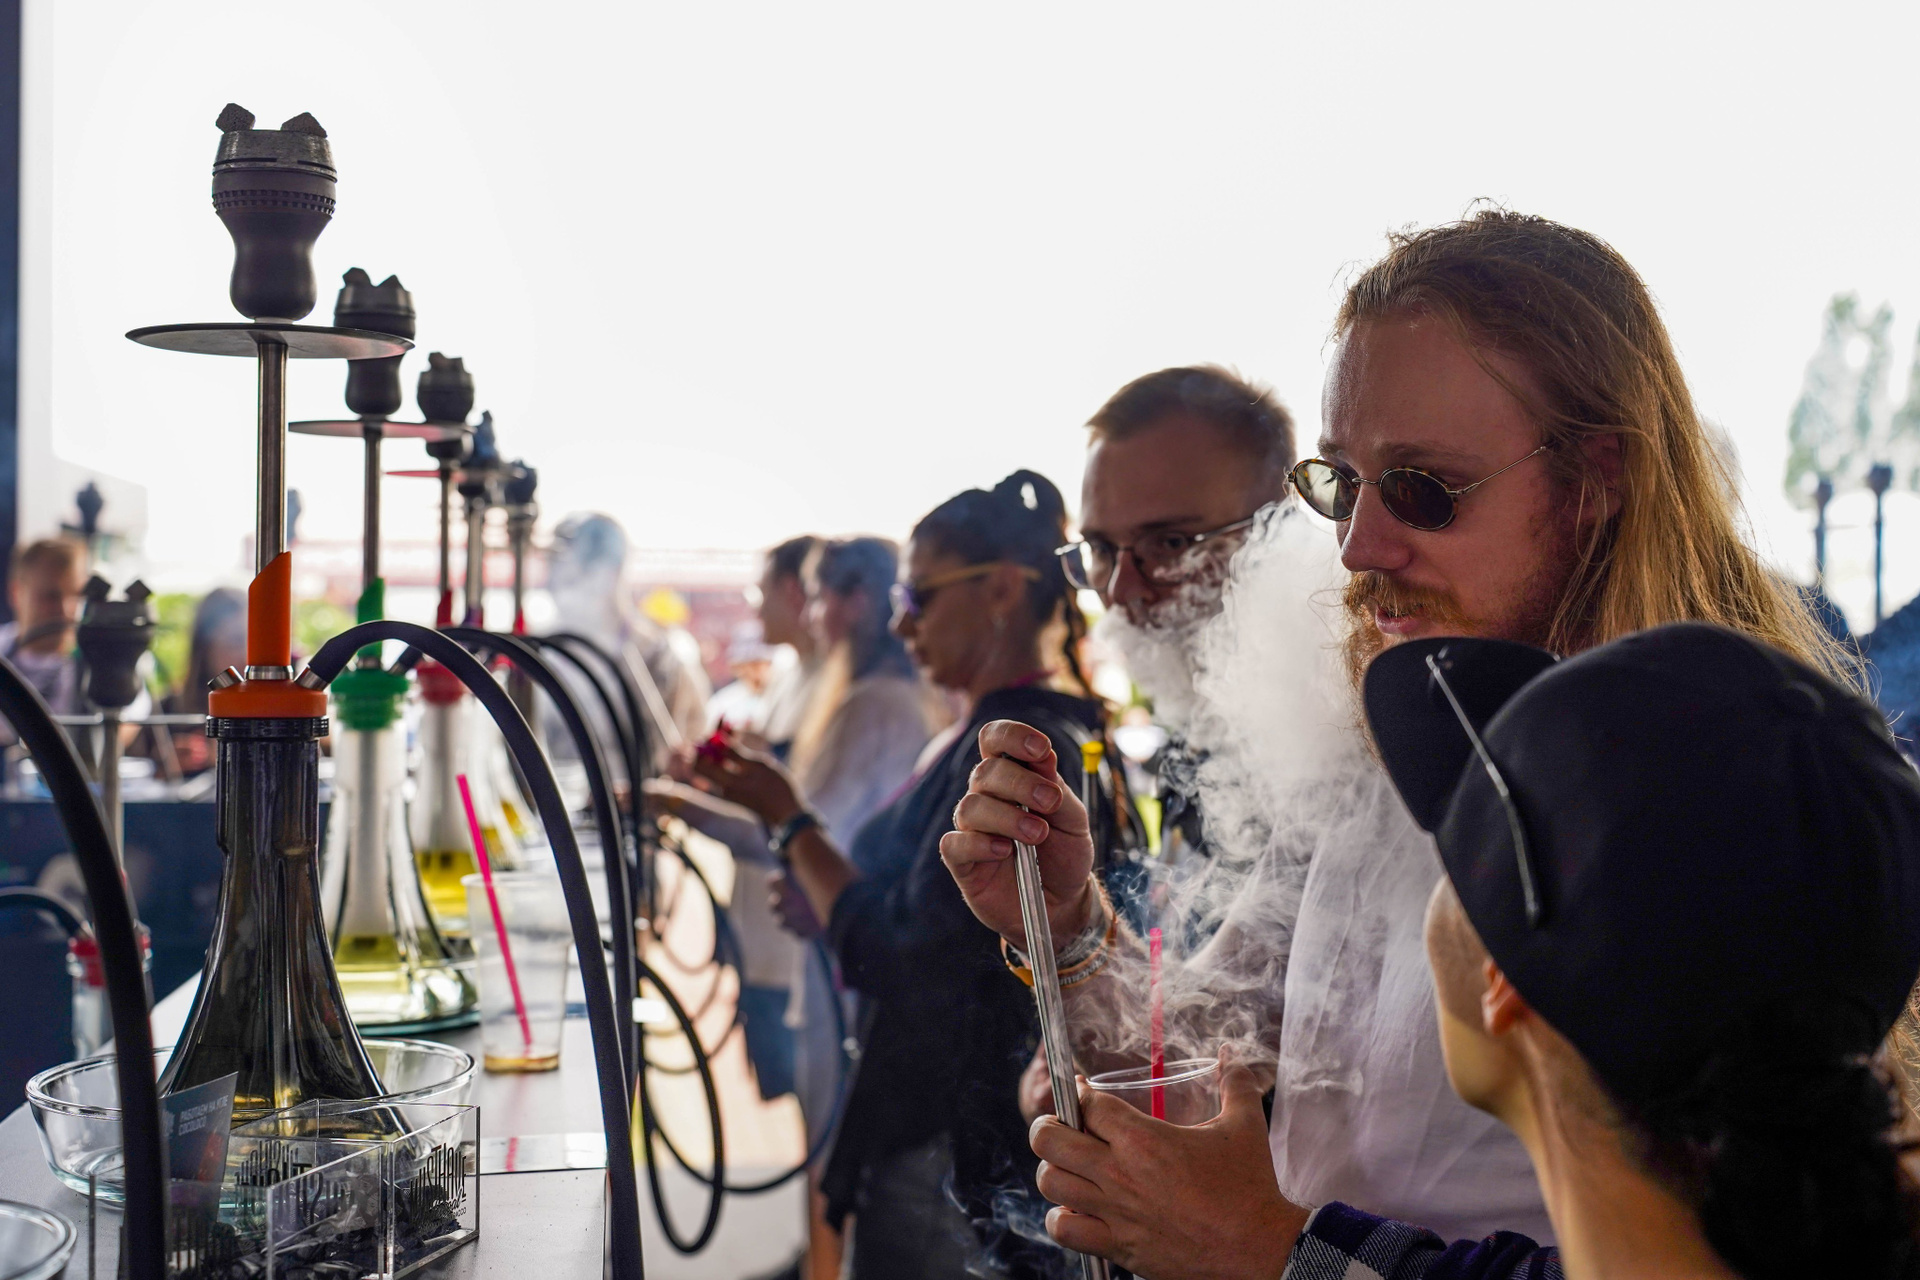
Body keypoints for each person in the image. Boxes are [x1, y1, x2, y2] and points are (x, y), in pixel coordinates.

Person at [942, 210, 1854, 1277]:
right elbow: (1193, 1063)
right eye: (1339, 483)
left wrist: (1281, 1252)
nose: (1359, 546)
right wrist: (1068, 921)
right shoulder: (1372, 742)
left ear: (1596, 482)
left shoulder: (1726, 795)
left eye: (1423, 488)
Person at [683, 472, 1105, 1279]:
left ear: (1001, 591)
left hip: (952, 1149)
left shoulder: (1020, 750)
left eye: (920, 597)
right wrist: (829, 894)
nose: (900, 621)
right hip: (940, 1128)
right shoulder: (987, 733)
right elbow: (926, 916)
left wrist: (789, 820)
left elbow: (908, 958)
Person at [1062, 366, 1294, 869]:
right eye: (1100, 548)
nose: (1120, 590)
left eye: (1169, 543)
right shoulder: (1198, 733)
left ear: (1275, 532)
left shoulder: (1340, 748)